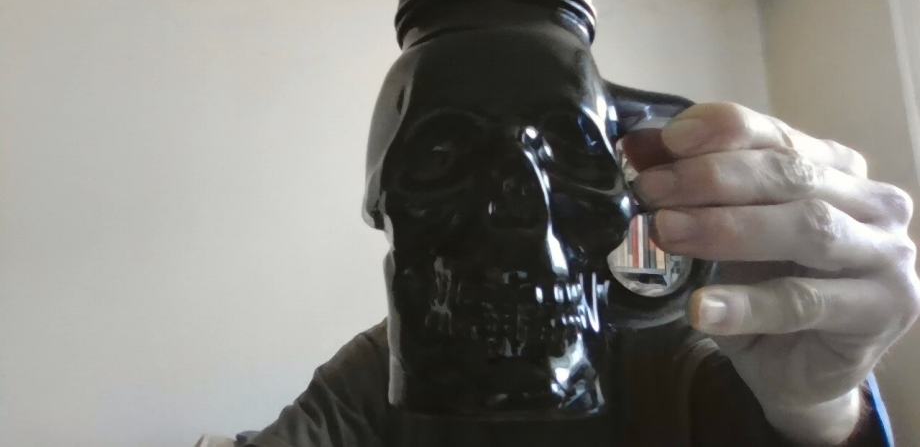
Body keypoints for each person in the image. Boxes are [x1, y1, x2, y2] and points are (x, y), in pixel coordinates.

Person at [244, 103, 916, 446]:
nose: (514, 219)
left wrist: (816, 411)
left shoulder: (675, 356)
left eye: (563, 164)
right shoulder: (375, 376)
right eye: (450, 164)